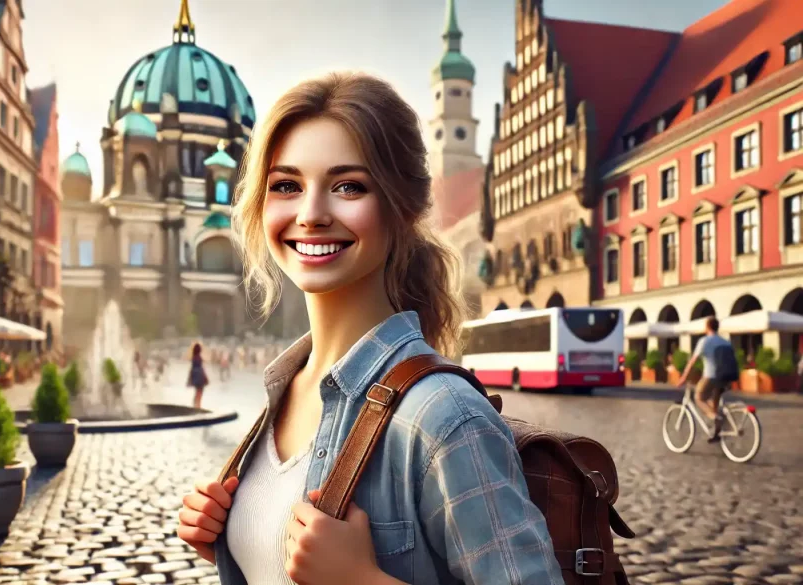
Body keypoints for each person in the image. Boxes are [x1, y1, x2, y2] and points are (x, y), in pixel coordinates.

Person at [177, 72, 562, 584]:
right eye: (287, 185)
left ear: (403, 207)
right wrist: (234, 537)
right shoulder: (286, 386)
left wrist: (363, 579)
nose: (311, 214)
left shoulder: (445, 416)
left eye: (348, 186)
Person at [677, 317, 736, 443]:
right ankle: (716, 432)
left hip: (711, 376)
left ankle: (715, 417)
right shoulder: (725, 341)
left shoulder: (704, 341)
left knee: (699, 397)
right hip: (726, 377)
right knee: (714, 403)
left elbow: (692, 361)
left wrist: (683, 377)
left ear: (707, 327)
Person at [187, 342, 209, 409]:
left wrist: (190, 378)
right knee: (200, 391)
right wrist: (205, 377)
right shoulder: (198, 357)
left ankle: (195, 405)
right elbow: (201, 368)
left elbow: (192, 368)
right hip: (199, 375)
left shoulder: (194, 357)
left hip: (195, 374)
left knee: (197, 391)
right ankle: (198, 406)